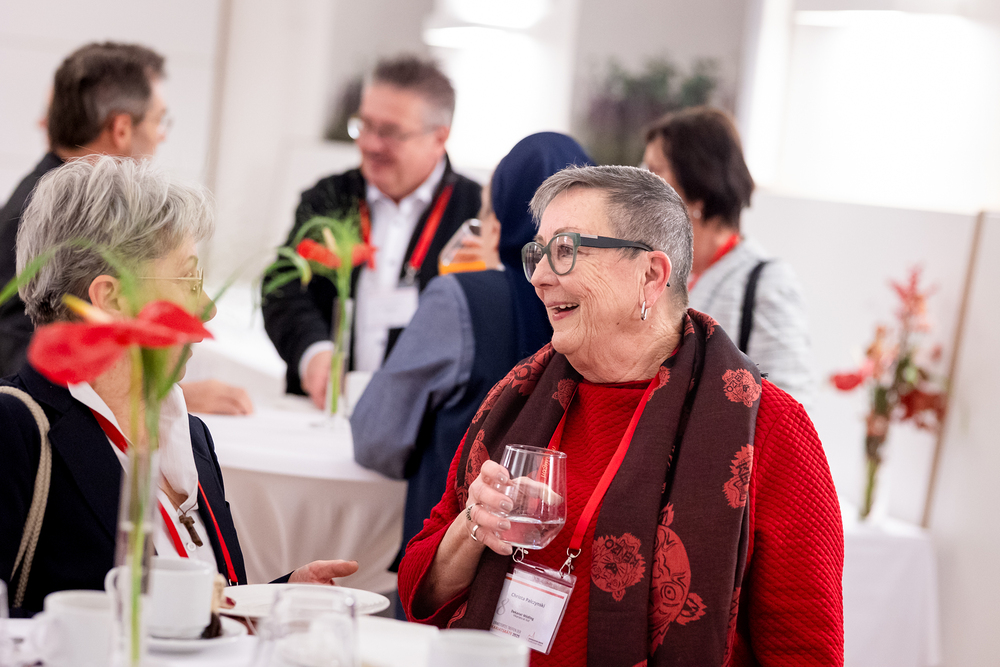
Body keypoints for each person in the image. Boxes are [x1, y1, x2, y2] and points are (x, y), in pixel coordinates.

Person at [398, 166, 843, 666]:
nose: (540, 277)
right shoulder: (519, 398)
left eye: (565, 250)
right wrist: (472, 527)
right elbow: (418, 593)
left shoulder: (768, 427)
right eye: (538, 253)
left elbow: (807, 654)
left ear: (650, 276)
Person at [0, 157, 358, 615]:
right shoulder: (16, 431)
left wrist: (279, 598)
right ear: (111, 298)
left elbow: (199, 614)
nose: (207, 306)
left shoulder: (190, 434)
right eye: (188, 279)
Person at [352, 132, 592, 603]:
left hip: (454, 560)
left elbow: (377, 438)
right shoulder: (600, 306)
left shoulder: (461, 298)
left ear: (499, 222)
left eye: (487, 213)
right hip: (556, 571)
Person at [0, 41, 252, 415]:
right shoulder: (48, 213)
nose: (161, 135)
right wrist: (151, 391)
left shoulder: (61, 200)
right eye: (158, 120)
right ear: (121, 128)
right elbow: (15, 347)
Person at [262, 55, 481, 407]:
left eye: (391, 132)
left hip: (428, 419)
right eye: (365, 125)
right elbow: (283, 287)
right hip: (324, 410)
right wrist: (313, 351)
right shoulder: (329, 197)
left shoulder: (477, 214)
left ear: (439, 137)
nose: (371, 144)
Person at [643, 107, 815, 405]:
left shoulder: (767, 283)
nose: (642, 186)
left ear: (697, 185)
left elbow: (792, 407)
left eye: (655, 172)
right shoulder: (660, 271)